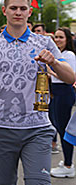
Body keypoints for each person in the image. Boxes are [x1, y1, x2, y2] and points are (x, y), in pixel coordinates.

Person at [0, 0, 75, 185]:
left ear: (29, 12)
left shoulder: (45, 43)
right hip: (1, 129)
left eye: (23, 8)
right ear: (4, 10)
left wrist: (54, 62)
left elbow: (70, 78)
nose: (18, 12)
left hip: (38, 129)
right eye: (13, 8)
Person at [48, 27, 76, 178]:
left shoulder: (69, 55)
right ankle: (66, 161)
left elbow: (70, 76)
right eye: (56, 37)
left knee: (65, 130)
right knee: (58, 126)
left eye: (60, 37)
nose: (57, 40)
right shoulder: (58, 54)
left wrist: (50, 70)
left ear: (67, 39)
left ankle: (68, 165)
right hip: (57, 92)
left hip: (64, 92)